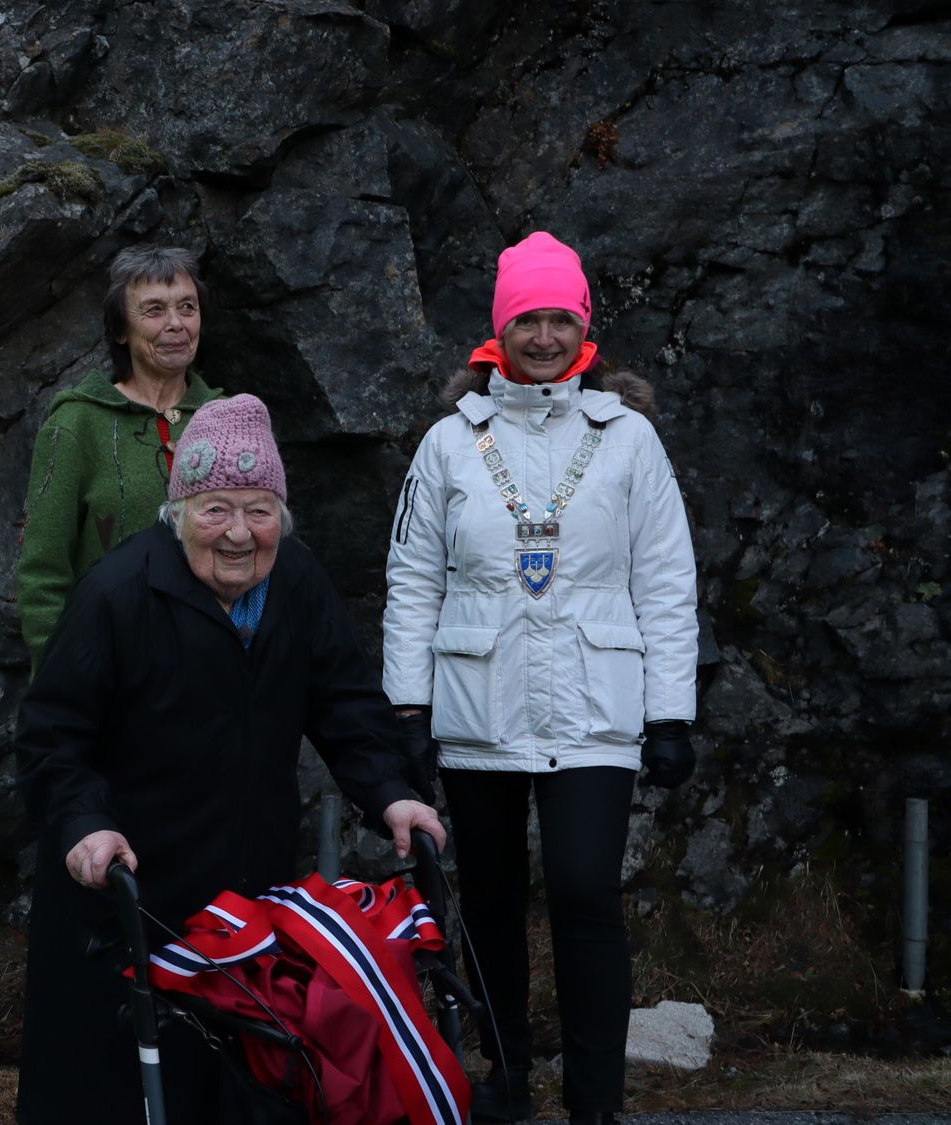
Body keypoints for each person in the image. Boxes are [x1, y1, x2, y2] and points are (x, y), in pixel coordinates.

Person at [15, 393, 446, 1124]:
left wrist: (390, 793)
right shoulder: (117, 594)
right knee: (114, 1088)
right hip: (132, 885)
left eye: (260, 509)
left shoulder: (298, 583)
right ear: (178, 511)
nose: (240, 533)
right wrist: (84, 824)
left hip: (247, 890)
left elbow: (345, 702)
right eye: (216, 508)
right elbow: (53, 732)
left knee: (242, 1079)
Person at [381, 232, 699, 1125]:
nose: (547, 334)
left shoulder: (629, 439)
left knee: (584, 890)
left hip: (596, 706)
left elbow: (667, 579)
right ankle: (507, 1075)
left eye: (562, 316)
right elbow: (412, 578)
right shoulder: (450, 443)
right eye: (530, 317)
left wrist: (670, 710)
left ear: (585, 327)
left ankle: (595, 1099)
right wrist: (409, 703)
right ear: (501, 328)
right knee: (486, 899)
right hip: (478, 703)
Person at [17, 245, 223, 670]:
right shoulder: (77, 424)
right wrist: (66, 682)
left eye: (188, 307)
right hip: (111, 673)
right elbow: (43, 576)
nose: (176, 324)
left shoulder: (228, 420)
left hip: (215, 671)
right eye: (153, 310)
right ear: (120, 329)